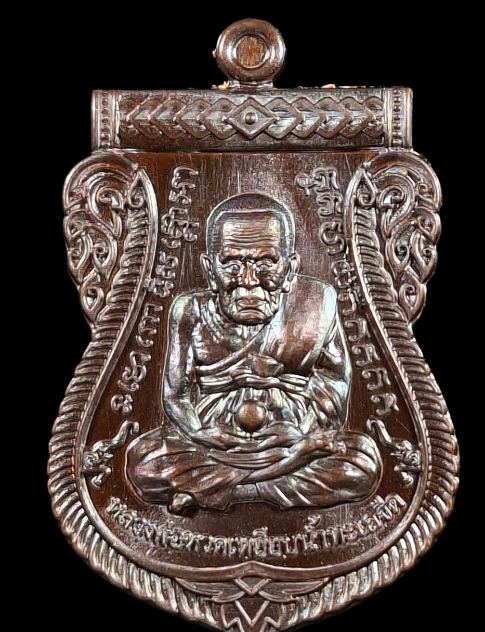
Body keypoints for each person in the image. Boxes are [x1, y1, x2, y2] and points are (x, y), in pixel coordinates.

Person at [126, 193, 381, 513]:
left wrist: (301, 432)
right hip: (217, 443)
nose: (248, 281)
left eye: (266, 264)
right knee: (143, 463)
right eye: (232, 263)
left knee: (361, 463)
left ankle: (220, 491)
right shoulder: (189, 311)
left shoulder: (317, 303)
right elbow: (176, 394)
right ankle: (261, 482)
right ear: (209, 269)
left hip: (292, 436)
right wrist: (200, 433)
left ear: (290, 269)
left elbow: (334, 382)